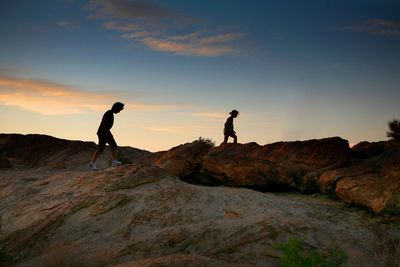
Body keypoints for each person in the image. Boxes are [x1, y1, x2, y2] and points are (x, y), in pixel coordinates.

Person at [89, 102, 124, 170]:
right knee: (101, 147)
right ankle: (92, 163)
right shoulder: (109, 113)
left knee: (113, 145)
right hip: (103, 132)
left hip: (106, 132)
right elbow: (104, 122)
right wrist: (107, 132)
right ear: (116, 108)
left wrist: (108, 132)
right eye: (119, 110)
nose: (119, 112)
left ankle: (114, 161)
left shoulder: (111, 113)